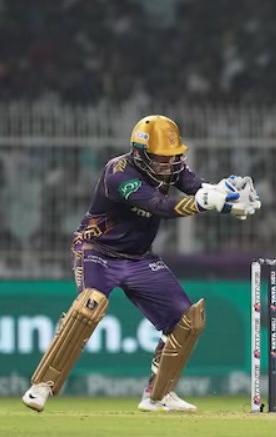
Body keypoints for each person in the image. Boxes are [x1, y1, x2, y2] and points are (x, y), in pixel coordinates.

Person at [21, 115, 261, 413]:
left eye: (173, 156)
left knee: (187, 320)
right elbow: (159, 206)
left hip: (139, 257)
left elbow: (196, 186)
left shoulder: (171, 167)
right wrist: (205, 203)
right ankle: (42, 386)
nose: (169, 164)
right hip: (98, 251)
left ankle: (158, 395)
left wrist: (225, 194)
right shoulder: (118, 174)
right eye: (162, 158)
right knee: (89, 306)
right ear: (140, 153)